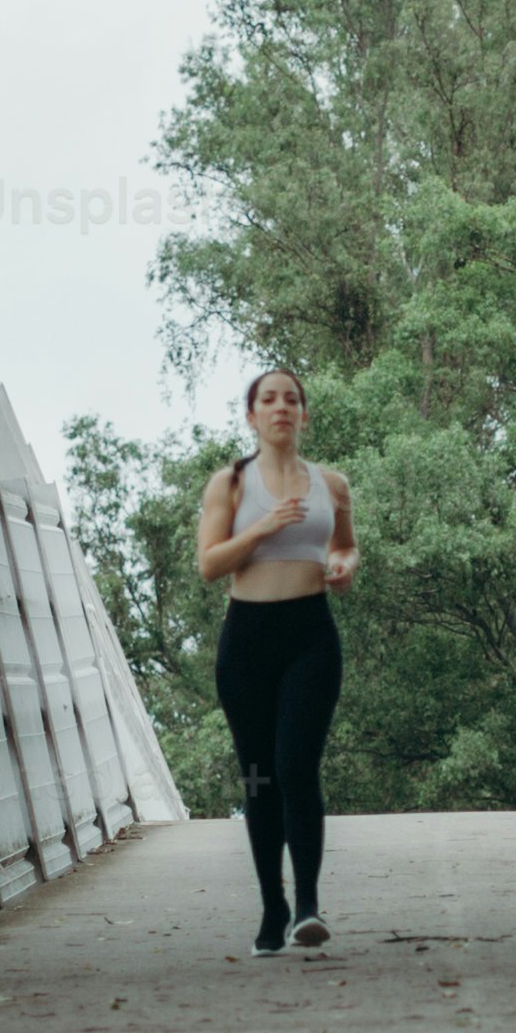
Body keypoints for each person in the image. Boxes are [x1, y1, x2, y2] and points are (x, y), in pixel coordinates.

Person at [192, 365, 358, 958]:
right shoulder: (230, 485)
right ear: (252, 415)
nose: (281, 407)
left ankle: (308, 905)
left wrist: (343, 564)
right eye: (269, 399)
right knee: (259, 779)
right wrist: (262, 527)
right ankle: (273, 905)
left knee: (296, 767)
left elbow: (342, 542)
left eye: (292, 399)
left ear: (304, 415)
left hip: (310, 633)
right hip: (248, 639)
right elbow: (211, 565)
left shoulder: (330, 484)